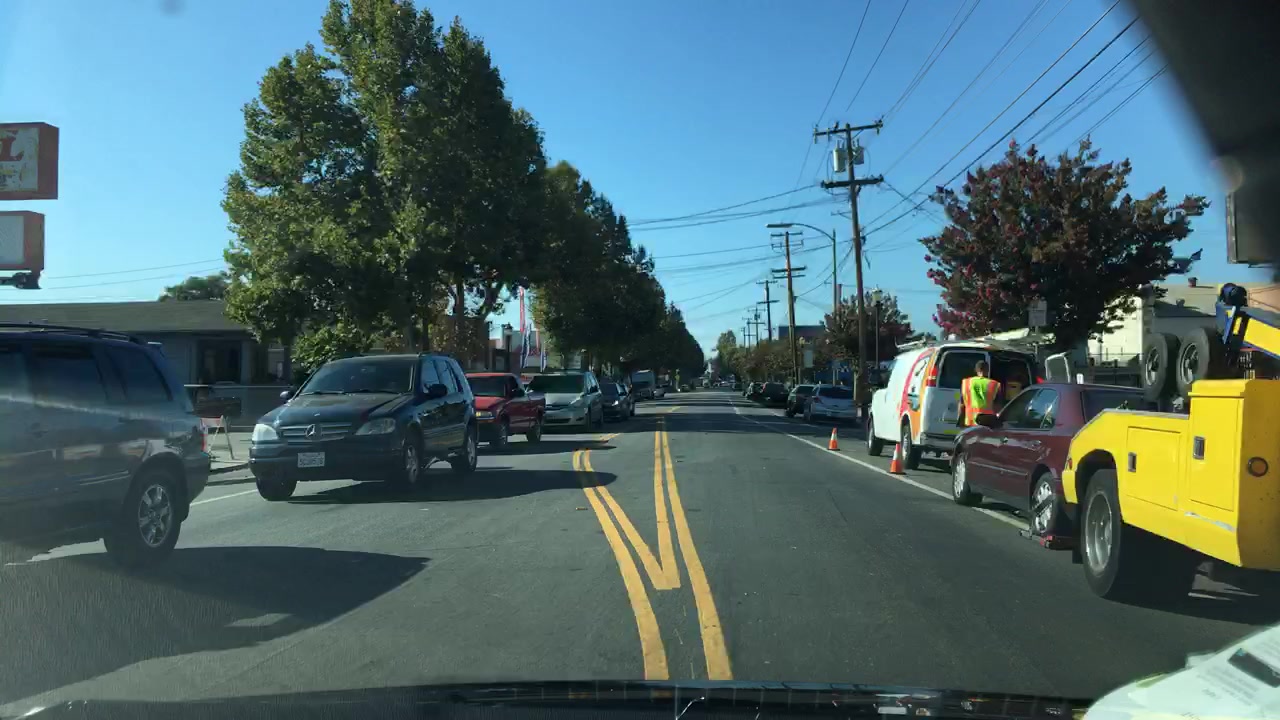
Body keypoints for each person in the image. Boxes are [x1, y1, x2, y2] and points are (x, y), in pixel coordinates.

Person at [960, 360, 1003, 426]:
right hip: (987, 423)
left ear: (976, 370)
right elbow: (998, 407)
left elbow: (961, 405)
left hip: (970, 422)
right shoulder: (994, 384)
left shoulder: (966, 382)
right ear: (988, 370)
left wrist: (960, 421)